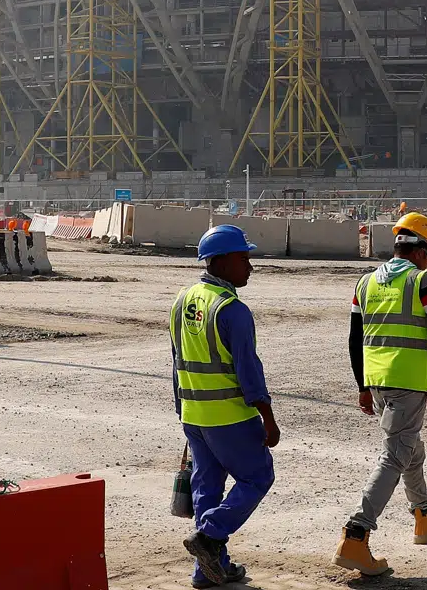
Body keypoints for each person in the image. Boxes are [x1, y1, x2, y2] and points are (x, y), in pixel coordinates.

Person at [334, 212, 427, 576]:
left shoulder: (365, 283)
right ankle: (356, 534)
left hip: (377, 379)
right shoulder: (422, 281)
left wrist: (362, 386)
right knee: (396, 455)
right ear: (421, 251)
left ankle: (424, 516)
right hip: (408, 381)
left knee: (411, 447)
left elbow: (355, 340)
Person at [172, 225, 280, 587]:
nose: (250, 267)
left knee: (207, 489)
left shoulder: (182, 301)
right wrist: (267, 417)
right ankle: (210, 535)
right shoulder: (232, 310)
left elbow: (177, 362)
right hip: (230, 416)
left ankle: (207, 571)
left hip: (194, 416)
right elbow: (249, 370)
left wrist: (183, 413)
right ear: (219, 262)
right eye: (243, 259)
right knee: (258, 476)